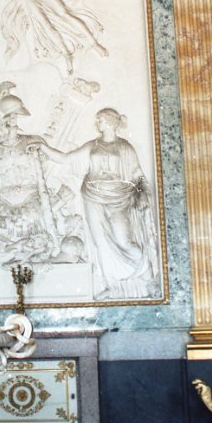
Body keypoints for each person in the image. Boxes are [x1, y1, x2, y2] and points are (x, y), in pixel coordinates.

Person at [29, 108, 159, 299]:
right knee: (101, 243)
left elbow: (138, 175)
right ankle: (110, 285)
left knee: (124, 241)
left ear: (111, 123)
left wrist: (143, 194)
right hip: (93, 198)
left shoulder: (125, 147)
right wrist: (42, 146)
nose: (97, 123)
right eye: (98, 120)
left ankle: (149, 280)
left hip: (119, 197)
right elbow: (65, 158)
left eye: (101, 120)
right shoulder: (92, 146)